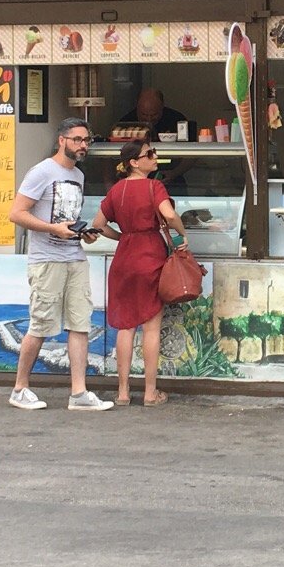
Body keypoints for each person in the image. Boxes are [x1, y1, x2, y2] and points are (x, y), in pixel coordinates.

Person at [8, 117, 112, 411]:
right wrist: (53, 229)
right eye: (77, 139)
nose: (83, 146)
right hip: (47, 260)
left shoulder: (78, 176)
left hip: (75, 257)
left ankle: (79, 393)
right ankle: (20, 388)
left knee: (80, 323)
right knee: (40, 325)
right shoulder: (41, 172)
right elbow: (16, 213)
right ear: (62, 140)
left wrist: (83, 234)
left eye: (87, 141)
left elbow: (67, 218)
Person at [96, 137, 187, 406]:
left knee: (125, 328)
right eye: (150, 154)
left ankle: (123, 393)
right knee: (151, 328)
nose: (155, 157)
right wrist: (182, 234)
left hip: (124, 259)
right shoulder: (154, 186)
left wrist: (122, 237)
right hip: (150, 256)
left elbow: (99, 224)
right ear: (134, 162)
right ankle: (149, 393)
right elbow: (169, 215)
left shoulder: (117, 191)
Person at [118, 85, 195, 140]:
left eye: (154, 115)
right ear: (137, 108)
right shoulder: (125, 124)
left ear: (162, 107)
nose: (149, 119)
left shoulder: (177, 120)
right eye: (144, 114)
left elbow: (191, 150)